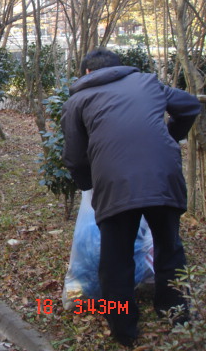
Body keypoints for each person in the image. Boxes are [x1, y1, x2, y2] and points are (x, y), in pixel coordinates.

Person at [60, 48, 201, 347]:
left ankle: (124, 330)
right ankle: (176, 314)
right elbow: (188, 105)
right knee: (170, 247)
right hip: (163, 176)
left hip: (114, 183)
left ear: (87, 72)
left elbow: (73, 155)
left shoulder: (77, 100)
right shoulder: (148, 82)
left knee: (116, 259)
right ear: (119, 67)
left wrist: (89, 184)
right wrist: (170, 136)